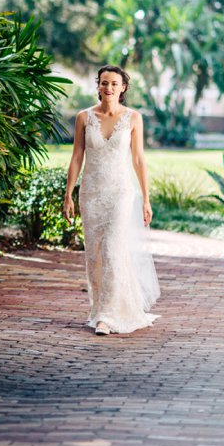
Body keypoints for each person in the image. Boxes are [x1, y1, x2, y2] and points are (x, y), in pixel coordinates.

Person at [62, 65, 160, 336]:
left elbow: (139, 160)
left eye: (114, 83)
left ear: (123, 88)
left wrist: (145, 199)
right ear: (98, 85)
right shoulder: (84, 117)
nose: (109, 88)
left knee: (113, 249)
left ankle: (109, 315)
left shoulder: (133, 118)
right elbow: (77, 158)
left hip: (120, 193)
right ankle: (98, 309)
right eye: (104, 83)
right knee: (94, 254)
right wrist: (68, 193)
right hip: (91, 193)